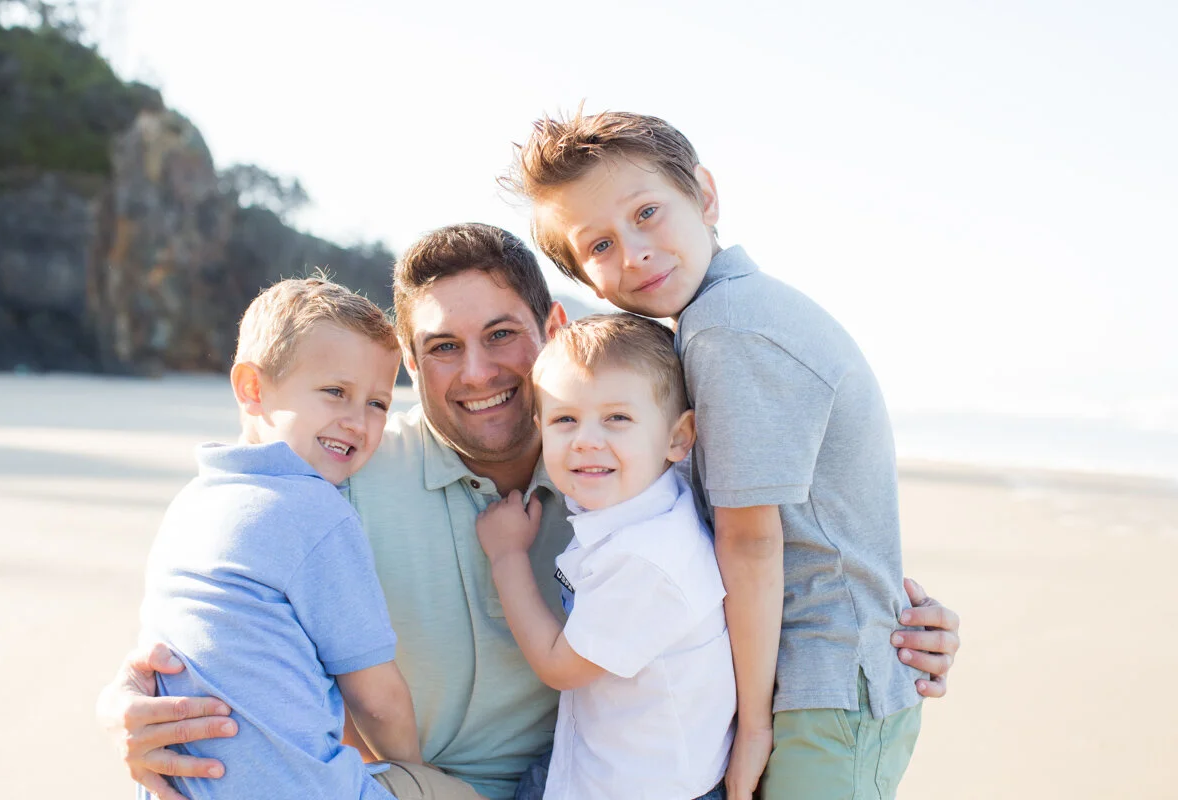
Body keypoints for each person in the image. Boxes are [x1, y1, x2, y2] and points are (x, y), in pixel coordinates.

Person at [97, 224, 962, 800]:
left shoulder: (640, 463)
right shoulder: (345, 470)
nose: (477, 371)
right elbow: (218, 587)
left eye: (501, 334)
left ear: (551, 324)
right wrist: (124, 704)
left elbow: (773, 558)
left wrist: (908, 623)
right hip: (420, 785)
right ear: (409, 361)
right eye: (442, 347)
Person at [504, 110, 933, 800]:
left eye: (648, 212)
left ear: (705, 195)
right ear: (584, 278)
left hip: (819, 687)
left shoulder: (727, 327)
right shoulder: (724, 317)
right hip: (819, 674)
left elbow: (752, 539)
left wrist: (755, 724)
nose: (635, 251)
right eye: (601, 245)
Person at [135, 275, 482, 800]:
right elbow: (376, 696)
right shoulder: (315, 511)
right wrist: (417, 774)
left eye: (378, 404)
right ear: (253, 389)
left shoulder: (191, 504)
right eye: (335, 392)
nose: (358, 422)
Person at [476, 314, 735, 800]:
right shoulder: (648, 500)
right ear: (540, 431)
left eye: (617, 418)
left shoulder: (649, 559)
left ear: (678, 439)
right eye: (564, 419)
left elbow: (559, 667)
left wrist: (507, 557)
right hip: (599, 763)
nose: (587, 439)